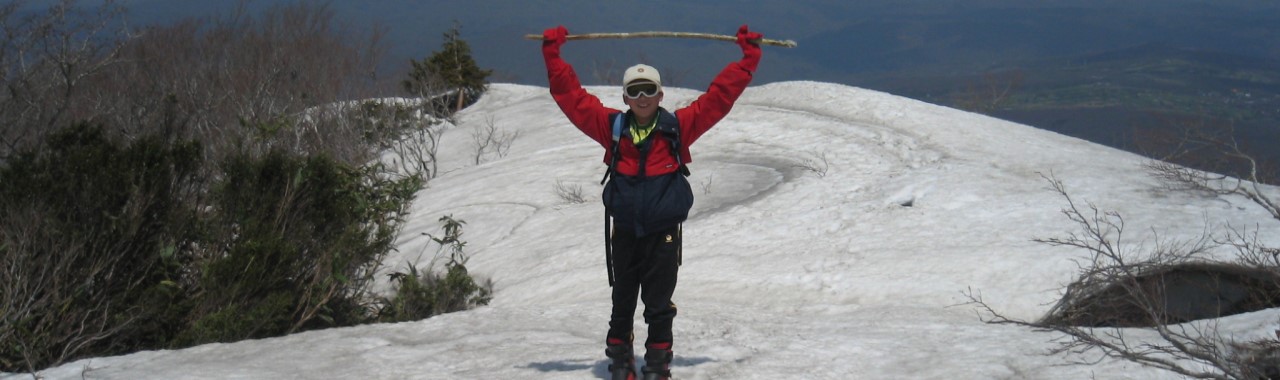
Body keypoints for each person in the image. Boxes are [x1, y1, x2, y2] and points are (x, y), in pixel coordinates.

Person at [540, 24, 763, 380]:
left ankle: (658, 366)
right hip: (626, 230)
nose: (642, 98)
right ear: (625, 97)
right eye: (634, 91)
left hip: (663, 234)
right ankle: (621, 362)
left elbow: (718, 99)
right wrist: (553, 57)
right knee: (623, 300)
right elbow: (572, 99)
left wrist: (747, 60)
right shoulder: (611, 128)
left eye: (649, 90)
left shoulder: (678, 128)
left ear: (660, 95)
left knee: (659, 305)